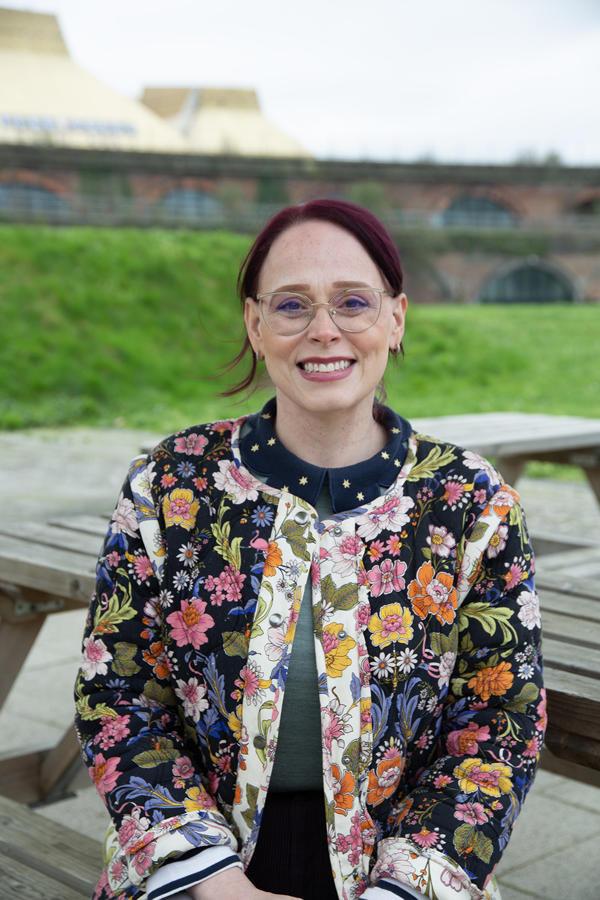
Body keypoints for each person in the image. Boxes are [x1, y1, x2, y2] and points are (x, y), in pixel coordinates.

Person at [75, 199, 546, 900]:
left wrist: (403, 888)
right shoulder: (169, 483)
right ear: (255, 325)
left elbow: (499, 727)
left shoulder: (471, 502)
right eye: (292, 305)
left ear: (396, 318)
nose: (324, 330)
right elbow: (117, 696)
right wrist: (209, 879)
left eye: (353, 302)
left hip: (406, 876)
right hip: (195, 869)